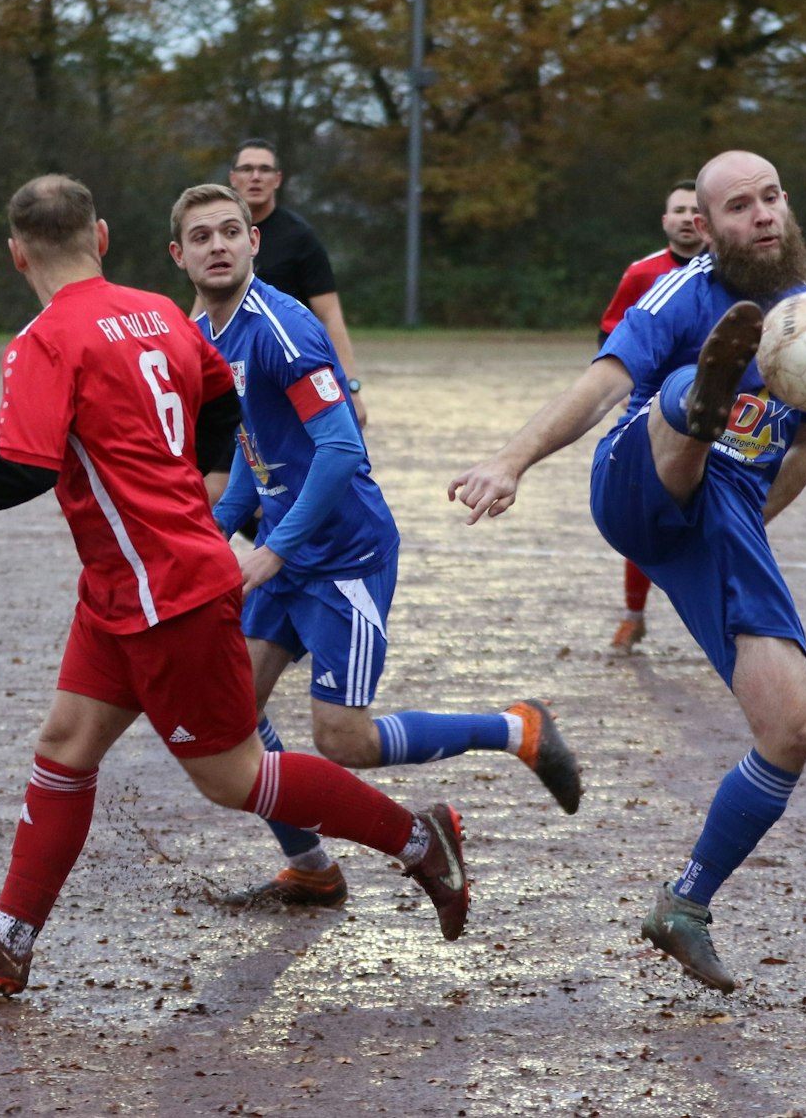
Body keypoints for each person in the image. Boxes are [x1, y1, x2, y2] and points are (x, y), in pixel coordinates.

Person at [0, 175, 470, 997]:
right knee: (66, 744)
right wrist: (198, 484)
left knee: (236, 778)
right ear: (100, 237)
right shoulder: (160, 312)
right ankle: (9, 936)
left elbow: (23, 467)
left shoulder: (43, 340)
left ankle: (419, 841)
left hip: (166, 593)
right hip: (120, 586)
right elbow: (223, 400)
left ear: (17, 254)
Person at [450, 150, 806, 994]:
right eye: (740, 205)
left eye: (772, 196)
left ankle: (684, 904)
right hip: (638, 478)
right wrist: (511, 460)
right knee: (680, 397)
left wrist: (749, 532)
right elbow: (601, 387)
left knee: (791, 729)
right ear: (707, 226)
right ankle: (700, 403)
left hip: (723, 519)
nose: (763, 214)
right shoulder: (681, 293)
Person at [167, 182, 581, 908]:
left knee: (343, 738)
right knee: (233, 711)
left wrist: (271, 550)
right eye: (202, 237)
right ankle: (311, 866)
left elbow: (339, 450)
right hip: (288, 548)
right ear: (179, 255)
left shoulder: (282, 328)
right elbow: (250, 449)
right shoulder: (199, 334)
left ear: (254, 241)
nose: (219, 246)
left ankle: (516, 728)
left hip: (343, 555)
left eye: (231, 231)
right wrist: (215, 531)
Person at [598, 179, 703, 654]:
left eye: (695, 210)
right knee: (643, 511)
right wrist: (622, 387)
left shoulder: (726, 276)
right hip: (649, 408)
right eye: (677, 209)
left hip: (712, 414)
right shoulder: (642, 273)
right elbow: (611, 334)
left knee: (713, 514)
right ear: (665, 221)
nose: (686, 218)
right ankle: (633, 615)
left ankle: (725, 621)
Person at [227, 139, 367, 431]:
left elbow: (330, 315)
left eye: (265, 169)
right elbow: (202, 310)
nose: (255, 176)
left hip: (286, 373)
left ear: (277, 179)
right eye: (247, 169)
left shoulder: (300, 237)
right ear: (233, 177)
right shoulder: (222, 236)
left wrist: (351, 388)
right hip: (233, 370)